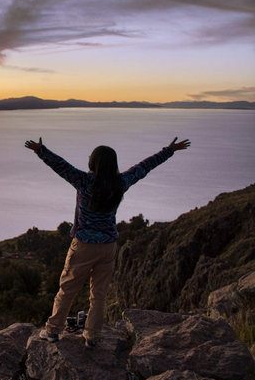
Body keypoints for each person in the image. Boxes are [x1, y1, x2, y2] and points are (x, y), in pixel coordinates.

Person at [24, 136, 191, 349]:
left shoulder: (83, 181)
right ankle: (92, 337)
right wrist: (169, 150)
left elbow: (60, 166)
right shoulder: (120, 183)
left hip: (84, 246)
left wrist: (40, 150)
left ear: (93, 162)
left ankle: (53, 331)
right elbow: (144, 167)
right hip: (109, 247)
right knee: (99, 295)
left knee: (67, 290)